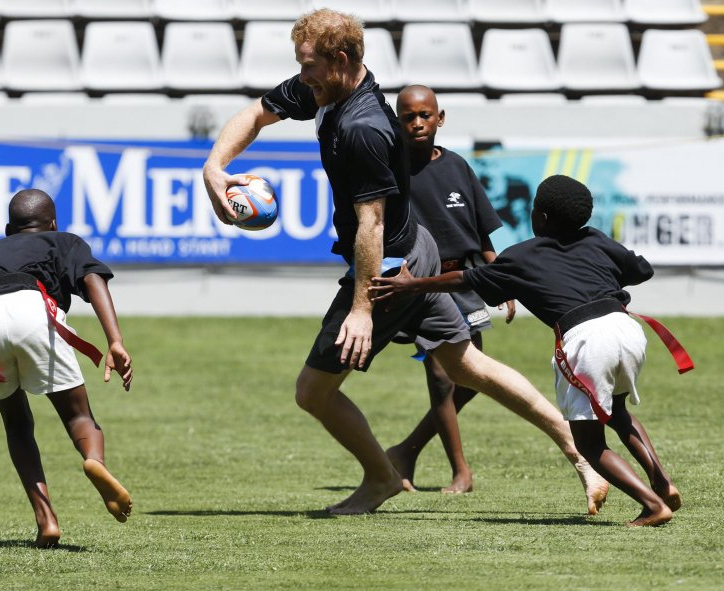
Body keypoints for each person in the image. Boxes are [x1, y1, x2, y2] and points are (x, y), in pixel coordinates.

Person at [203, 9, 608, 515]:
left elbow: (370, 225)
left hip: (391, 267)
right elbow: (258, 113)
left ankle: (379, 480)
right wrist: (215, 166)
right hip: (414, 246)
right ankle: (585, 457)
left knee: (313, 392)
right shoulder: (324, 87)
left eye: (308, 66)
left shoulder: (364, 129)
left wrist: (362, 307)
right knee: (470, 367)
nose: (301, 76)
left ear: (341, 61)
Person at [370, 174, 684, 526]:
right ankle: (662, 481)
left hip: (586, 339)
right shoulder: (596, 240)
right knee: (618, 413)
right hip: (627, 329)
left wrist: (412, 285)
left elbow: (465, 279)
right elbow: (641, 269)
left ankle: (653, 504)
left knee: (589, 444)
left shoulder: (521, 256)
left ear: (542, 217)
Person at [0, 188, 134, 548]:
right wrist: (114, 340)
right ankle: (93, 460)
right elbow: (92, 278)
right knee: (78, 417)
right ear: (52, 223)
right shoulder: (62, 241)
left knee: (17, 423)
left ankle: (46, 519)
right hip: (33, 309)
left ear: (8, 229)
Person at [385, 85, 515, 494]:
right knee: (442, 376)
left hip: (464, 284)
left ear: (440, 119)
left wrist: (503, 281)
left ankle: (405, 451)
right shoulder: (390, 171)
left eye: (425, 115)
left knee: (471, 376)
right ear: (397, 123)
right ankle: (461, 472)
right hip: (420, 283)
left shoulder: (458, 166)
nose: (418, 123)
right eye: (408, 117)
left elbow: (484, 236)